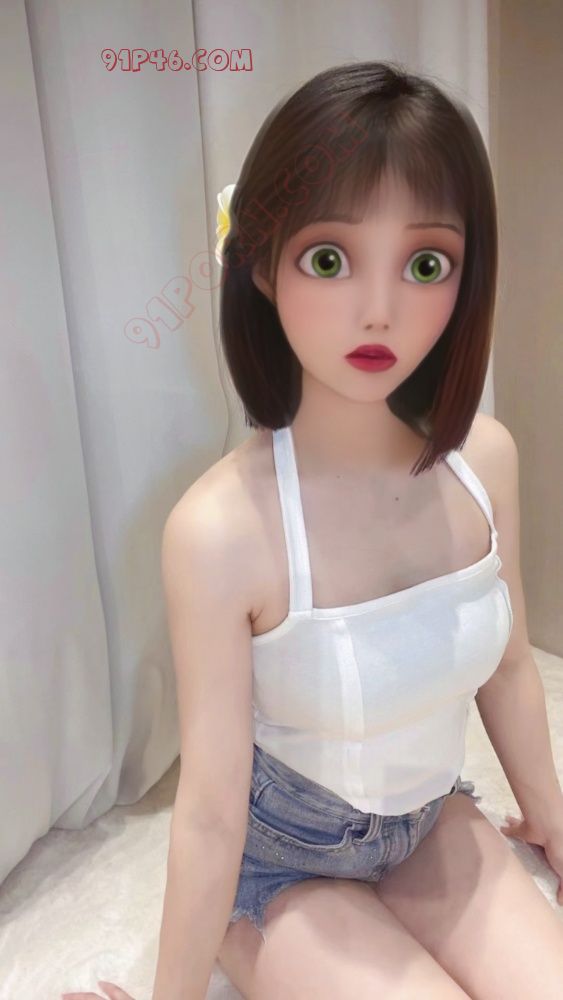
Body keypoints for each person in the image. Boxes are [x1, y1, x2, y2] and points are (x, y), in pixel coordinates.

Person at [66, 60, 563, 1000]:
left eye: (425, 264)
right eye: (329, 260)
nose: (379, 310)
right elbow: (209, 811)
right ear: (259, 266)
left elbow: (505, 669)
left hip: (429, 822)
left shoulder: (485, 458)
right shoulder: (220, 531)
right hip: (280, 866)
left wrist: (552, 822)